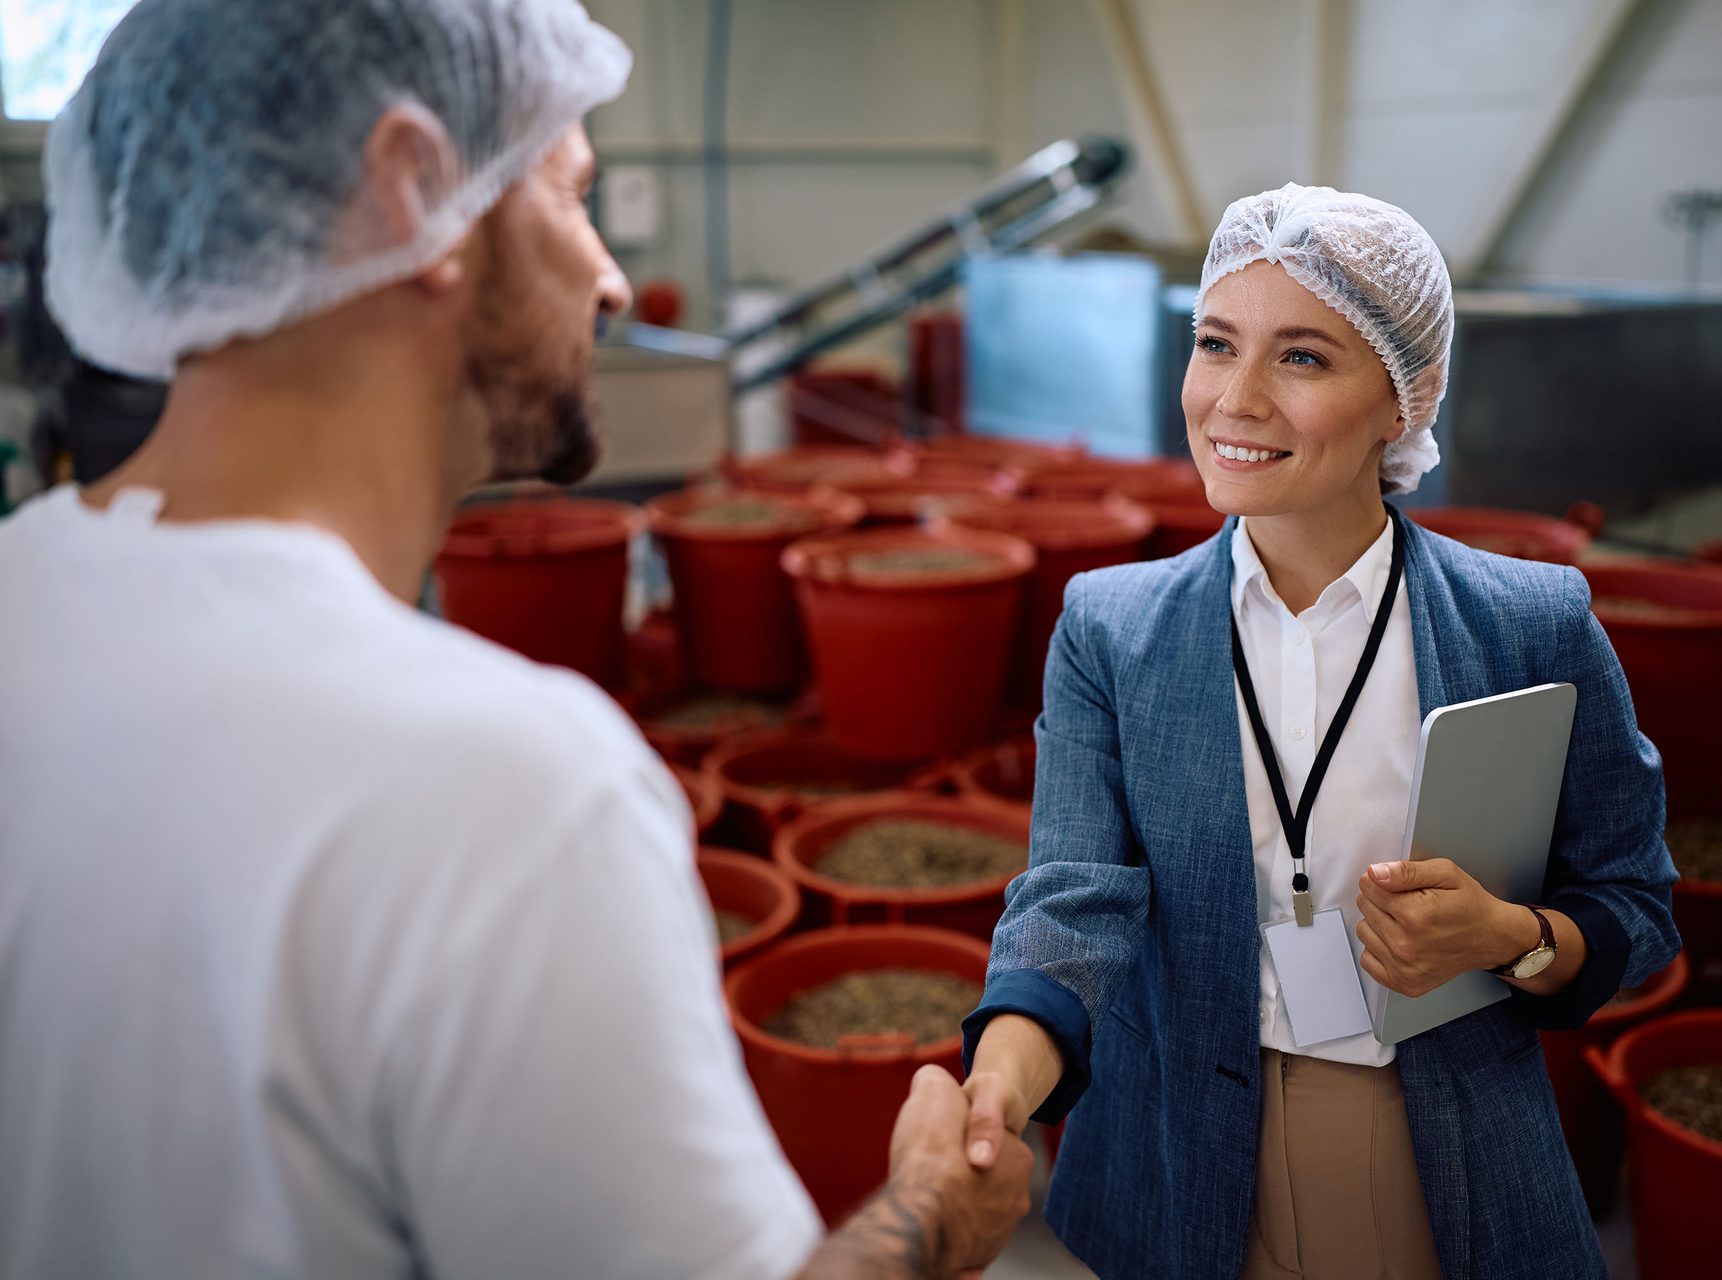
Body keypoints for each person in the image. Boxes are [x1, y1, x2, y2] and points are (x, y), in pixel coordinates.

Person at [0, 2, 1031, 1277]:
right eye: (569, 194)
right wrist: (934, 1211)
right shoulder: (505, 785)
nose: (607, 278)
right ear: (414, 192)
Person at [956, 185, 1682, 1280]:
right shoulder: (1111, 631)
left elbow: (1635, 897)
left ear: (1406, 397)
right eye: (1214, 344)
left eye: (1301, 357)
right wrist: (994, 1097)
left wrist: (1510, 935)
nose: (1235, 399)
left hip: (1429, 1137)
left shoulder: (1531, 625)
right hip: (1177, 1144)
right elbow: (1072, 897)